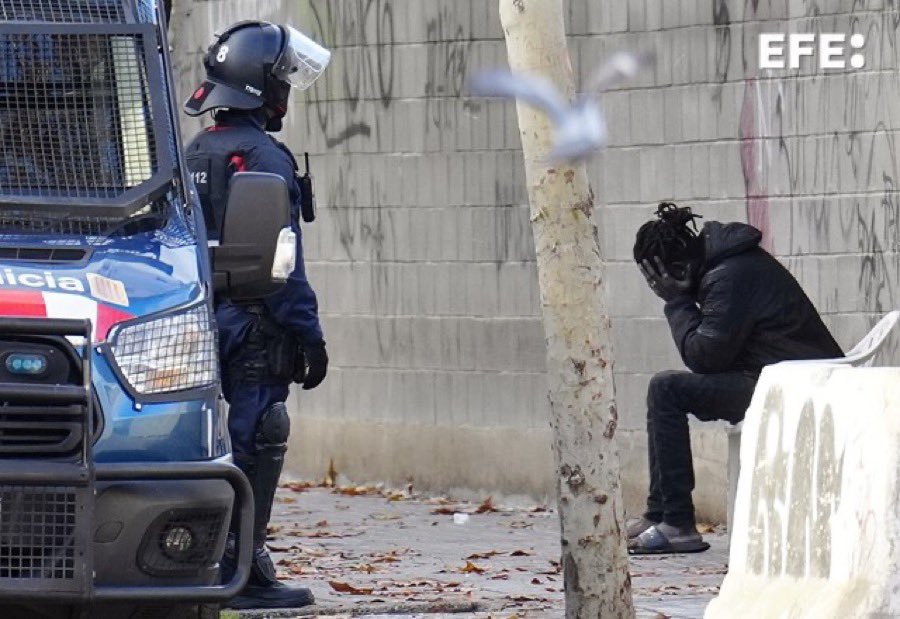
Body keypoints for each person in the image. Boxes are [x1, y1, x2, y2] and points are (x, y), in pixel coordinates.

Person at [182, 21, 331, 608]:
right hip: (254, 325)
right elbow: (282, 260)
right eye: (283, 83)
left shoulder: (195, 151)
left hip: (199, 321)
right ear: (261, 88)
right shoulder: (264, 155)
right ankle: (239, 571)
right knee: (258, 435)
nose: (287, 94)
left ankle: (219, 560)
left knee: (207, 441)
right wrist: (310, 335)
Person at [628, 203, 842, 554]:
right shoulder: (726, 266)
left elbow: (704, 357)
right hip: (777, 378)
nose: (660, 288)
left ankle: (678, 523)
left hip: (796, 386)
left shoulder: (728, 275)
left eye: (660, 281)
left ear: (679, 268)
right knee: (665, 388)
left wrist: (677, 302)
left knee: (666, 389)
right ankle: (661, 513)